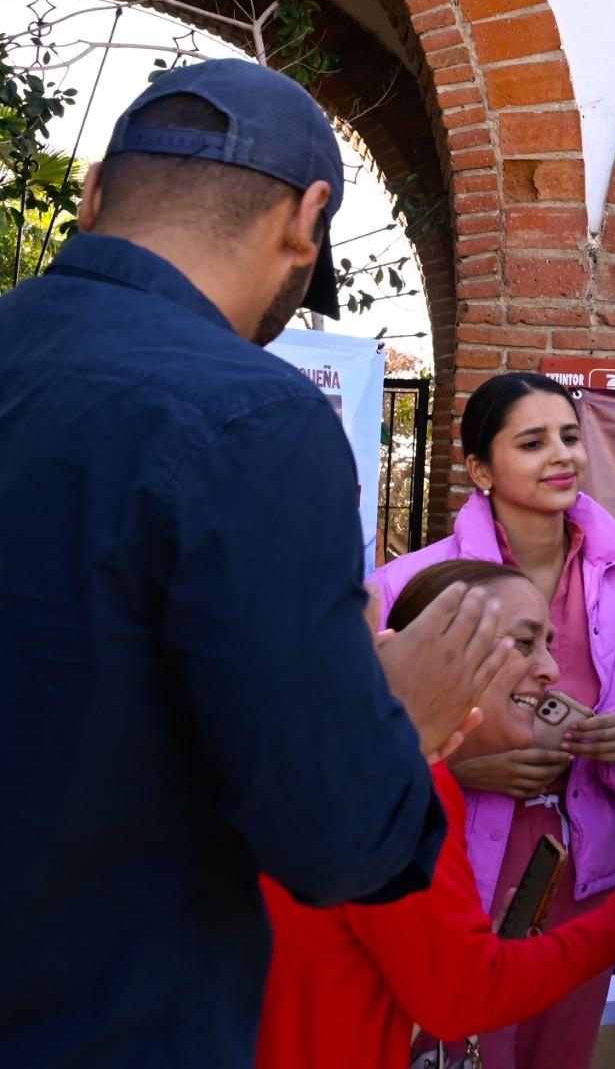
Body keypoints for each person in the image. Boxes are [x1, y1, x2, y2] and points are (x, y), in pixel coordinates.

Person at [1, 61, 514, 1068]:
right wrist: (396, 727)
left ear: (97, 190)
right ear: (306, 220)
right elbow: (330, 841)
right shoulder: (254, 414)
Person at [370, 372, 615, 1069]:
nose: (561, 456)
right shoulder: (408, 586)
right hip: (453, 859)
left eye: (571, 438)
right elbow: (360, 755)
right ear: (481, 468)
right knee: (462, 1043)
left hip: (583, 868)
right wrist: (460, 768)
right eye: (534, 441)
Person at [259, 560, 615, 1069]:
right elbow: (463, 997)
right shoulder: (398, 773)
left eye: (550, 644)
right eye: (525, 642)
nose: (551, 671)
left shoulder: (336, 746)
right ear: (438, 646)